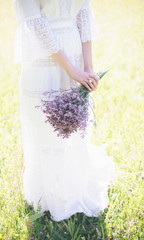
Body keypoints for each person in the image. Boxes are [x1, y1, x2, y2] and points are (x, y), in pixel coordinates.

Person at [12, 0, 116, 222]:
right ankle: (49, 195)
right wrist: (72, 69)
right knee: (46, 128)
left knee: (73, 127)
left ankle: (74, 187)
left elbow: (84, 13)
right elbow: (36, 24)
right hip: (44, 58)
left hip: (76, 54)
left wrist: (87, 67)